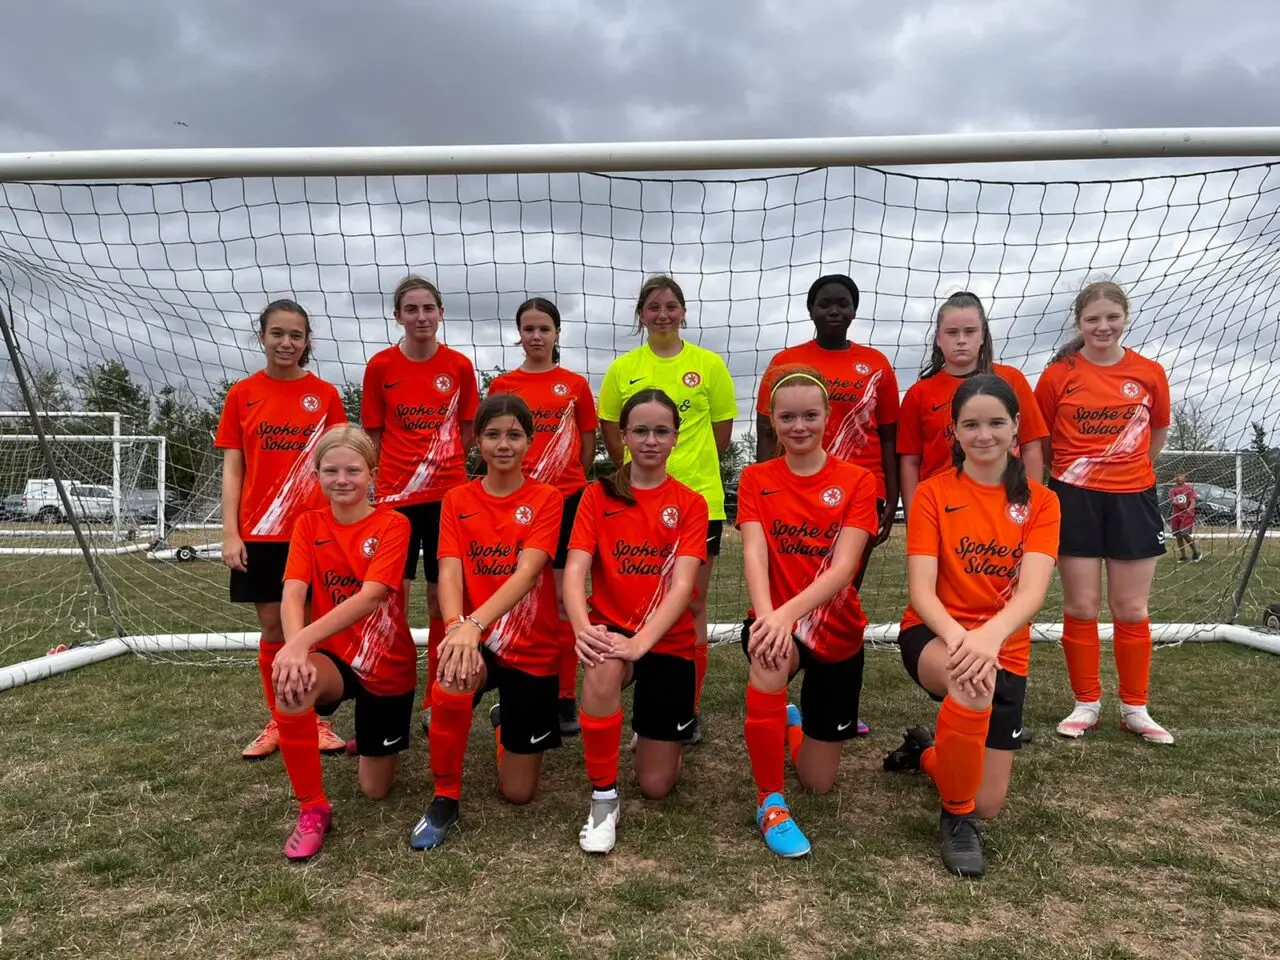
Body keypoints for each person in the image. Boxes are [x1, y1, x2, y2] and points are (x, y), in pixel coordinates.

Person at [884, 374, 1060, 877]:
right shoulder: (933, 494)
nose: (984, 435)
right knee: (972, 681)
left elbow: (1031, 592)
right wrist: (965, 641)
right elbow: (921, 591)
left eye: (996, 423)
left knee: (989, 802)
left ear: (1016, 426)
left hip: (1003, 644)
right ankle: (956, 821)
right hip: (935, 635)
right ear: (954, 432)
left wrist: (989, 638)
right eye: (971, 425)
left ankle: (928, 752)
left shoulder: (1042, 503)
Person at [408, 394, 565, 850]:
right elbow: (451, 568)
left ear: (529, 443)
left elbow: (528, 571)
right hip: (476, 637)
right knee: (453, 677)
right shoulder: (457, 498)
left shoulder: (546, 498)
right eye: (493, 434)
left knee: (518, 794)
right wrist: (460, 627)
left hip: (531, 647)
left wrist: (471, 624)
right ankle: (445, 799)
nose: (503, 444)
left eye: (514, 435)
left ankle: (504, 725)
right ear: (477, 441)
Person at [737, 368, 878, 858]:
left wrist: (785, 614)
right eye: (788, 416)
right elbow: (754, 553)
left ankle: (790, 723)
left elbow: (843, 568)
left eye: (810, 415)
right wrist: (768, 616)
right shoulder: (756, 478)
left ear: (827, 417)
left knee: (819, 783)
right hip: (777, 623)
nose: (800, 425)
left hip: (837, 632)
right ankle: (769, 801)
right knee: (769, 658)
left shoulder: (857, 480)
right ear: (773, 421)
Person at [564, 389, 708, 855]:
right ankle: (603, 797)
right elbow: (575, 571)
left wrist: (642, 643)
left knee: (657, 786)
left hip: (666, 639)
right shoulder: (596, 495)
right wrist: (584, 629)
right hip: (613, 628)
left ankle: (652, 730)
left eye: (661, 431)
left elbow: (684, 585)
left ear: (675, 438)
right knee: (602, 665)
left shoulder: (690, 503)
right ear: (623, 436)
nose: (650, 440)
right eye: (640, 431)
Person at [1033, 280, 1174, 745]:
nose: (1102, 326)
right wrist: (1080, 473)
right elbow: (1044, 440)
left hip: (1133, 498)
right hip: (1074, 497)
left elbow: (1155, 436)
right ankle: (1086, 704)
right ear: (1079, 323)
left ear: (1125, 318)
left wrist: (1126, 472)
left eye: (1111, 317)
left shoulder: (1150, 373)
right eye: (1092, 319)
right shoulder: (1058, 375)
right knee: (1081, 605)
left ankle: (1135, 707)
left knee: (1131, 607)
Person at [269, 426, 418, 861]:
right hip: (333, 656)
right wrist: (297, 647)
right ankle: (313, 809)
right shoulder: (308, 524)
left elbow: (371, 596)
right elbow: (294, 590)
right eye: (330, 470)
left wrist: (299, 642)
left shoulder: (394, 524)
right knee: (292, 687)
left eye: (353, 470)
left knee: (375, 790)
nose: (342, 479)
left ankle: (369, 739)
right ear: (316, 474)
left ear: (372, 473)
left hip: (386, 663)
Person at [597, 276, 735, 744]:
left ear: (683, 312)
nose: (662, 314)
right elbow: (611, 430)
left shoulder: (709, 364)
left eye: (671, 306)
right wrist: (636, 474)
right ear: (641, 314)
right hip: (638, 499)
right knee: (632, 597)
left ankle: (685, 711)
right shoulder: (623, 368)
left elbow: (721, 436)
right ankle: (637, 694)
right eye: (653, 306)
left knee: (692, 603)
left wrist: (683, 474)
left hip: (698, 500)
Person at [216, 298, 348, 759]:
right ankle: (280, 717)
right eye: (277, 333)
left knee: (315, 628)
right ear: (262, 337)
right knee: (274, 629)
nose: (286, 342)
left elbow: (342, 465)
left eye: (296, 335)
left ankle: (318, 720)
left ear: (307, 341)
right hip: (261, 532)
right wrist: (231, 532)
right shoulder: (242, 394)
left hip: (315, 532)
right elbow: (234, 468)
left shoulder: (326, 395)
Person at [361, 276, 479, 732]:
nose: (421, 317)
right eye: (411, 309)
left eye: (429, 308)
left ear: (441, 313)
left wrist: (438, 464)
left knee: (440, 598)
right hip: (394, 500)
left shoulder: (460, 366)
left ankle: (435, 696)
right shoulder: (381, 367)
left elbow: (467, 430)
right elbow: (373, 434)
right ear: (398, 316)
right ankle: (391, 688)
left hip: (448, 497)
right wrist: (392, 478)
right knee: (391, 597)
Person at [489, 297, 598, 736]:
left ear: (557, 335)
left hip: (566, 500)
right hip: (517, 502)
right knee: (514, 594)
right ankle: (513, 686)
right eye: (528, 328)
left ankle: (565, 697)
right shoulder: (503, 386)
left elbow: (588, 443)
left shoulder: (574, 384)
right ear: (520, 333)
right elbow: (495, 438)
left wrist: (568, 481)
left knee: (559, 600)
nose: (536, 336)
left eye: (544, 329)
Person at [756, 275, 899, 593]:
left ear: (854, 310)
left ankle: (841, 642)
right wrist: (764, 488)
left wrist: (891, 496)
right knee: (796, 580)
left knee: (844, 586)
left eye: (842, 304)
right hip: (796, 487)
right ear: (810, 310)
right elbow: (766, 432)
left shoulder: (876, 364)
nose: (834, 311)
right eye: (824, 304)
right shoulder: (785, 362)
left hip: (863, 489)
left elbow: (891, 437)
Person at [898, 292, 1047, 516]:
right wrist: (914, 516)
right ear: (938, 338)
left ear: (982, 336)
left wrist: (1028, 507)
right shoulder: (919, 393)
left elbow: (1031, 447)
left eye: (969, 332)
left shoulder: (1012, 380)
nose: (961, 339)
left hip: (1003, 501)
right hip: (943, 507)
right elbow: (910, 463)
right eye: (952, 332)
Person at [1168, 474, 1202, 563]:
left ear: (1185, 478)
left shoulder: (1189, 489)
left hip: (1187, 515)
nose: (1179, 478)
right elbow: (1174, 500)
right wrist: (1179, 505)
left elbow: (1193, 501)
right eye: (1177, 476)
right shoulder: (1172, 490)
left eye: (1181, 476)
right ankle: (1183, 556)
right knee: (1178, 536)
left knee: (1184, 534)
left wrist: (1189, 508)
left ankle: (1196, 553)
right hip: (1176, 515)